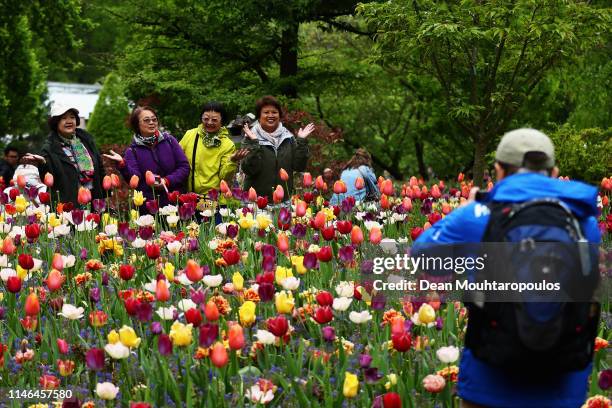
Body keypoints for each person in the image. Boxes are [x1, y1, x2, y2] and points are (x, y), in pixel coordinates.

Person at [414, 128, 601, 407]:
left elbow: (423, 258)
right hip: (562, 386)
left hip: (489, 382)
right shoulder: (584, 222)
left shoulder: (478, 215)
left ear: (499, 171)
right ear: (554, 172)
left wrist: (467, 215)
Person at [104, 106, 190, 208]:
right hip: (150, 206)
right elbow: (135, 179)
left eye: (154, 119)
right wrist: (123, 164)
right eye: (146, 120)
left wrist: (167, 181)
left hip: (175, 201)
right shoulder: (132, 150)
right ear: (137, 125)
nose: (152, 122)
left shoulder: (169, 141)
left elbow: (184, 167)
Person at [22, 103, 104, 205]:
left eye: (72, 117)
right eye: (64, 118)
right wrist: (43, 163)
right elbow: (47, 178)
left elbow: (99, 167)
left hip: (93, 200)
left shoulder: (86, 139)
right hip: (68, 205)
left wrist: (104, 195)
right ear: (56, 122)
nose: (69, 121)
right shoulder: (49, 148)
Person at [241, 95, 314, 201]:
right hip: (256, 201)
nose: (270, 115)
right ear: (259, 116)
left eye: (274, 112)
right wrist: (255, 144)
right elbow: (249, 170)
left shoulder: (288, 137)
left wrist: (301, 141)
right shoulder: (250, 137)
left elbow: (299, 167)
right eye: (266, 112)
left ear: (279, 115)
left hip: (283, 201)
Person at [179, 102, 248, 197]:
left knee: (204, 212)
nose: (209, 123)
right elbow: (177, 159)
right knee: (189, 212)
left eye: (214, 120)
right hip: (188, 195)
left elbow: (224, 177)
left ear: (222, 121)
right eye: (206, 119)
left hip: (211, 198)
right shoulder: (190, 135)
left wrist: (232, 161)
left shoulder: (227, 144)